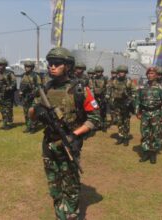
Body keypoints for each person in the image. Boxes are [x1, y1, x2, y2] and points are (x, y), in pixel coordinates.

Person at [29, 47, 100, 219]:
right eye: (50, 64)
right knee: (54, 183)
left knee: (70, 184)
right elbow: (31, 116)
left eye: (57, 64)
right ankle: (60, 213)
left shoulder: (80, 89)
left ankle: (71, 214)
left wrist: (75, 135)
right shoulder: (45, 89)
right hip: (49, 142)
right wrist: (36, 110)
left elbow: (95, 118)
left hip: (69, 142)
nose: (51, 67)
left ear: (67, 66)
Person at [135, 67, 162, 164]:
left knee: (155, 133)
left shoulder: (161, 87)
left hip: (156, 113)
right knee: (145, 133)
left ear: (156, 75)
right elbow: (137, 100)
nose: (150, 75)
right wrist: (137, 112)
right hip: (145, 113)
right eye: (148, 73)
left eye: (152, 73)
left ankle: (153, 154)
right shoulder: (142, 87)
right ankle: (146, 152)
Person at [106, 65, 136, 146]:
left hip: (126, 104)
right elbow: (109, 89)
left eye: (123, 72)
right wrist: (108, 97)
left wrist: (129, 101)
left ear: (125, 73)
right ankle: (120, 136)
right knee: (119, 121)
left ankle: (126, 138)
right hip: (117, 104)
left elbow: (134, 92)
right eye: (120, 72)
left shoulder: (129, 81)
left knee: (126, 121)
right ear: (118, 73)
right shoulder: (114, 81)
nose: (121, 73)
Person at [19, 60, 42, 133]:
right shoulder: (23, 75)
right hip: (25, 97)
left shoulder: (35, 76)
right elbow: (21, 85)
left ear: (32, 67)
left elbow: (39, 87)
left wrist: (33, 94)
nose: (27, 68)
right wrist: (20, 93)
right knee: (26, 112)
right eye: (26, 66)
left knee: (33, 112)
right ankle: (28, 126)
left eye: (28, 67)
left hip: (34, 97)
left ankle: (33, 127)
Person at [0, 58, 17, 130]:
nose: (0, 66)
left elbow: (14, 83)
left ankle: (9, 123)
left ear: (5, 65)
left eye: (1, 65)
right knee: (2, 110)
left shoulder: (10, 73)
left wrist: (8, 88)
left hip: (8, 95)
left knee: (8, 110)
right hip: (1, 94)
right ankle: (4, 123)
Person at [89, 65, 107, 132]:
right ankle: (96, 125)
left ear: (102, 72)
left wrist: (106, 96)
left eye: (99, 71)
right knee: (95, 112)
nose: (98, 73)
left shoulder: (105, 79)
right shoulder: (92, 79)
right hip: (95, 98)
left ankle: (103, 125)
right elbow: (91, 88)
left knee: (103, 112)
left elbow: (108, 88)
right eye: (97, 71)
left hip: (103, 97)